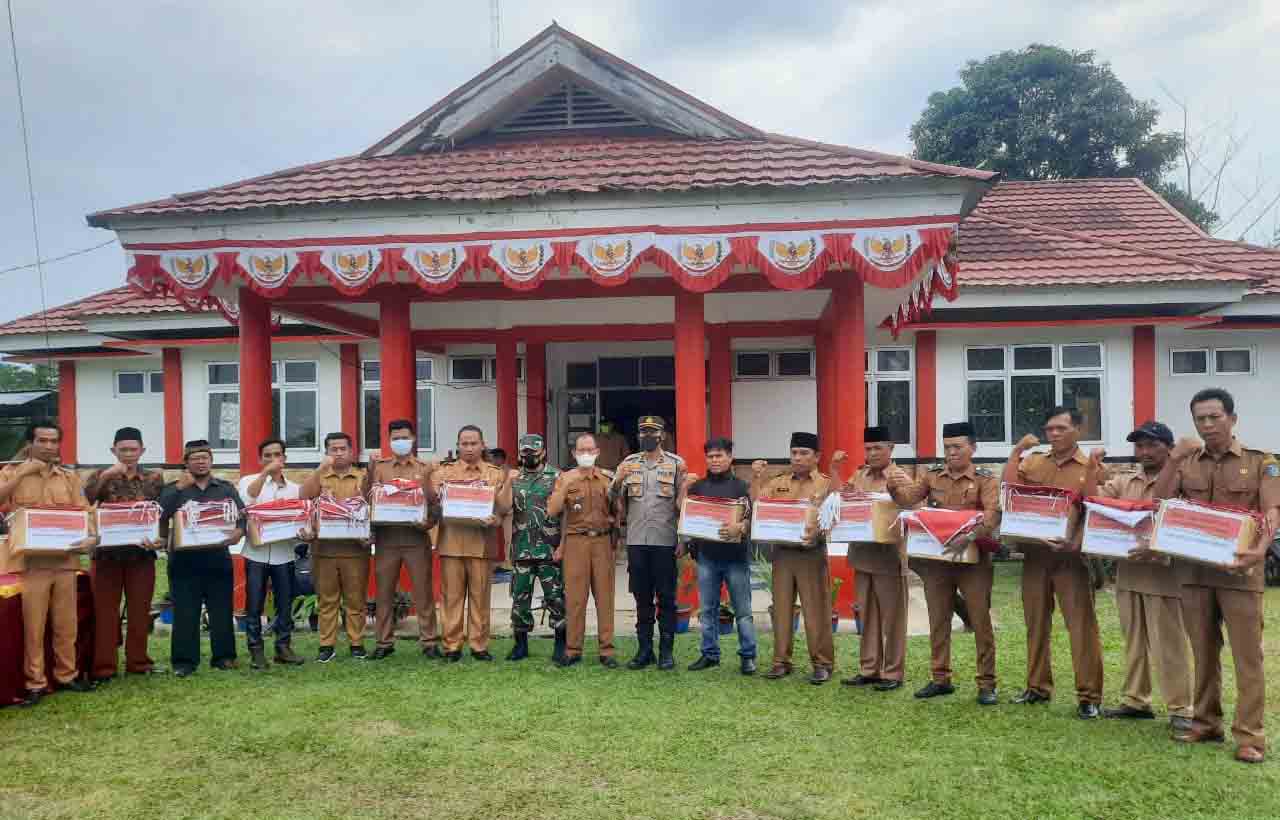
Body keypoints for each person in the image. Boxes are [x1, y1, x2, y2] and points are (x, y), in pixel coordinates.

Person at [1152, 388, 1278, 764]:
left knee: (1247, 656)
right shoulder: (1187, 461)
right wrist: (1174, 459)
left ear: (1232, 419)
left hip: (1240, 571)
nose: (1207, 425)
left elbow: (1272, 511)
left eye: (1214, 417)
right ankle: (1206, 722)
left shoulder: (1261, 462)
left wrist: (1262, 548)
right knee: (1203, 651)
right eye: (1200, 419)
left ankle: (1250, 735)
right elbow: (1158, 502)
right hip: (1193, 572)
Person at [1002, 406, 1107, 718]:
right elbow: (1011, 494)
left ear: (1079, 430)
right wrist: (1017, 451)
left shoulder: (1091, 465)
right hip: (1036, 555)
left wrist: (1078, 542)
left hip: (1070, 558)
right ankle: (1037, 687)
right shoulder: (1034, 462)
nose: (1054, 434)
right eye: (1050, 429)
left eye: (1061, 428)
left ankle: (1089, 696)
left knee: (1081, 627)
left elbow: (1096, 507)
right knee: (1035, 624)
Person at [887, 421, 1001, 704]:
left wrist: (970, 535)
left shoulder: (986, 479)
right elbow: (909, 498)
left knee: (980, 619)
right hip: (938, 561)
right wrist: (893, 488)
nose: (951, 452)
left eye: (957, 447)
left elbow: (992, 515)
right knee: (938, 620)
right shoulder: (932, 476)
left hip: (972, 560)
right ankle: (940, 678)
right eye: (947, 447)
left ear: (972, 448)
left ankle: (987, 683)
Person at [1096, 421, 1192, 731]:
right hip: (1129, 571)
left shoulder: (1184, 478)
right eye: (1139, 446)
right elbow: (1093, 502)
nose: (1145, 451)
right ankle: (1136, 700)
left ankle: (1181, 707)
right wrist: (1091, 467)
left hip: (1165, 575)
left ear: (1169, 446)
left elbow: (1185, 522)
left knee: (1169, 644)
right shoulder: (1125, 481)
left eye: (1152, 445)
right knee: (1133, 641)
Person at [0, 421, 99, 706]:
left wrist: (92, 536)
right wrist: (22, 475)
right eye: (42, 440)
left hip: (65, 560)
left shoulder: (68, 478)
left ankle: (66, 676)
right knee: (34, 626)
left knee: (66, 625)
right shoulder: (10, 472)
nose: (48, 446)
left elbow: (84, 512)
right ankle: (35, 683)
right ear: (30, 443)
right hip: (29, 563)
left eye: (53, 441)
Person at [83, 426, 166, 683]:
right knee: (105, 613)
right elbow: (87, 499)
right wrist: (108, 474)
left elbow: (160, 513)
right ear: (113, 451)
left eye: (133, 449)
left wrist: (160, 539)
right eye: (123, 450)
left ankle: (138, 663)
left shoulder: (154, 478)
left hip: (141, 556)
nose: (129, 454)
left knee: (140, 612)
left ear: (142, 450)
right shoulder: (98, 475)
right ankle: (104, 667)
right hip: (106, 556)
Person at [751, 431, 834, 684]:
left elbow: (834, 518)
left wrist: (819, 532)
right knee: (782, 609)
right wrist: (756, 477)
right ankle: (780, 661)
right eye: (794, 453)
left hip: (811, 554)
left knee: (815, 610)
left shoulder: (826, 484)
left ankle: (822, 663)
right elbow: (758, 503)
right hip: (783, 555)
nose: (797, 458)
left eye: (803, 453)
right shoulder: (778, 482)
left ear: (816, 456)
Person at [158, 439, 246, 678]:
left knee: (221, 610)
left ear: (211, 461)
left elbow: (242, 517)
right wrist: (177, 488)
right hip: (184, 560)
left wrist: (238, 533)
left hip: (217, 557)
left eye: (204, 457)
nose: (200, 462)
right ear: (185, 463)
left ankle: (224, 657)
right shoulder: (173, 488)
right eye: (195, 458)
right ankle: (185, 662)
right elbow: (159, 513)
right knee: (186, 612)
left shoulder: (225, 488)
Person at [610, 415, 689, 671]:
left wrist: (683, 539)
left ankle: (666, 652)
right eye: (643, 432)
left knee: (666, 599)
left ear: (662, 435)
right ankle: (644, 651)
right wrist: (617, 479)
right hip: (637, 542)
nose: (647, 436)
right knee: (641, 599)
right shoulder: (629, 463)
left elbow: (683, 507)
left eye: (652, 432)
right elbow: (613, 500)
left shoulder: (677, 465)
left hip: (665, 542)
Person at [431, 425, 512, 661]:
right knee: (452, 599)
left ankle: (479, 645)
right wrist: (430, 480)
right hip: (451, 544)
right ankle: (452, 646)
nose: (468, 448)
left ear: (483, 444)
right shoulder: (444, 472)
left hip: (481, 545)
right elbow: (433, 502)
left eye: (473, 443)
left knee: (480, 598)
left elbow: (504, 509)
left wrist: (495, 519)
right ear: (458, 445)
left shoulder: (495, 473)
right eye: (464, 444)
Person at [363, 419, 442, 661]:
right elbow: (365, 499)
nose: (400, 442)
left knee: (423, 593)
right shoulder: (380, 467)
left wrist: (428, 523)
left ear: (413, 438)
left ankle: (429, 642)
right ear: (389, 441)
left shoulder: (424, 467)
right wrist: (368, 469)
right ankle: (384, 642)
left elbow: (435, 504)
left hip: (416, 538)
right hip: (387, 539)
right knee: (384, 592)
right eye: (395, 438)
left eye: (404, 437)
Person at [841, 425, 908, 692]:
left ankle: (892, 672)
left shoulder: (900, 476)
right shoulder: (860, 474)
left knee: (893, 618)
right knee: (867, 615)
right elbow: (845, 500)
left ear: (891, 449)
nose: (872, 453)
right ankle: (869, 669)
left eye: (878, 448)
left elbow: (911, 507)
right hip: (862, 554)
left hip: (888, 557)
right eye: (868, 448)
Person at [684, 437, 756, 675]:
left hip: (736, 557)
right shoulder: (697, 487)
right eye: (710, 456)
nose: (714, 460)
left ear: (730, 458)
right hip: (707, 557)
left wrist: (741, 528)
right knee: (707, 609)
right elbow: (685, 515)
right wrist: (684, 488)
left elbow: (752, 517)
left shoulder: (742, 487)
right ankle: (709, 654)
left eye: (719, 456)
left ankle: (748, 656)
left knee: (743, 611)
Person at [548, 432, 618, 667]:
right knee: (576, 599)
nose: (586, 454)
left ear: (597, 452)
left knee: (605, 597)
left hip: (602, 542)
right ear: (574, 453)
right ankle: (573, 649)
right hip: (576, 541)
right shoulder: (565, 478)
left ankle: (606, 650)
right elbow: (553, 510)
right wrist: (565, 486)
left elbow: (619, 512)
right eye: (581, 451)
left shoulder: (608, 479)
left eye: (590, 450)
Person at [237, 438, 306, 669]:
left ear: (284, 458)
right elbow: (247, 500)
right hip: (255, 554)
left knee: (285, 602)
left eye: (277, 455)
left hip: (284, 553)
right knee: (254, 603)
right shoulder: (249, 481)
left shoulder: (295, 488)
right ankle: (256, 650)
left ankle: (283, 647)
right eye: (267, 455)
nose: (273, 459)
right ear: (260, 459)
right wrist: (265, 474)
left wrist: (304, 533)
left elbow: (298, 520)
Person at [300, 432, 370, 663]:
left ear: (351, 451)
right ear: (326, 452)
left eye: (343, 449)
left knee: (356, 599)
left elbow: (374, 506)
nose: (338, 453)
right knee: (327, 599)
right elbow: (304, 497)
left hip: (355, 549)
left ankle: (356, 643)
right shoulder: (320, 476)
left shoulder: (362, 477)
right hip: (324, 549)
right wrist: (320, 469)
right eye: (333, 449)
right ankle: (326, 644)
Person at [507, 434, 567, 662]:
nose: (529, 456)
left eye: (533, 452)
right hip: (522, 548)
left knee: (556, 597)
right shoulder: (515, 477)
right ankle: (520, 645)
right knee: (520, 598)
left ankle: (560, 644)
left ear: (542, 452)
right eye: (525, 453)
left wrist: (562, 546)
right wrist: (507, 481)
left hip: (549, 549)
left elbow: (565, 514)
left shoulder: (557, 476)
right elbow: (504, 508)